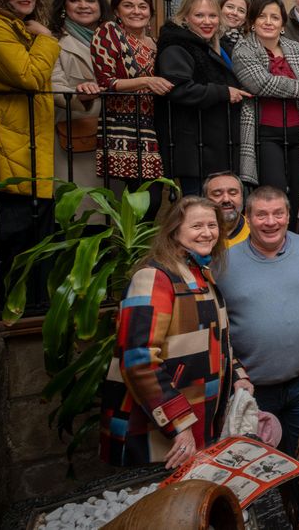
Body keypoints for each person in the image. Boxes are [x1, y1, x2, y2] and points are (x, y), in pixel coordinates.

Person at [100, 196, 252, 468]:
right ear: (174, 230)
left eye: (212, 225)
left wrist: (238, 376)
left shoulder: (200, 275)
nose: (207, 233)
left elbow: (216, 340)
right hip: (155, 435)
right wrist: (178, 422)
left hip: (197, 425)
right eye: (196, 226)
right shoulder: (154, 277)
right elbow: (138, 359)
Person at [218, 186, 299, 455]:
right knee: (256, 464)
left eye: (278, 213)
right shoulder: (222, 262)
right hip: (251, 390)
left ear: (288, 216)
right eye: (261, 215)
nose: (270, 222)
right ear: (247, 217)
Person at [0, 0, 61, 295]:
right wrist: (47, 39)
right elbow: (28, 76)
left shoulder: (19, 27)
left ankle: (34, 303)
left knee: (36, 238)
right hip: (13, 148)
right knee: (17, 238)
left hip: (30, 148)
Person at [233, 0, 299, 220]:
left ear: (282, 24)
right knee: (274, 192)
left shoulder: (296, 49)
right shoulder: (243, 49)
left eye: (274, 17)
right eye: (262, 16)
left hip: (298, 132)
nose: (268, 22)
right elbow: (263, 84)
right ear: (252, 22)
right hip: (265, 134)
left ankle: (295, 237)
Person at [155, 0, 250, 195]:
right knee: (199, 205)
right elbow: (178, 89)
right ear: (185, 18)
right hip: (195, 150)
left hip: (216, 147)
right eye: (199, 15)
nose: (207, 21)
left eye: (212, 16)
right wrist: (223, 92)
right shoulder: (176, 47)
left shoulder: (217, 46)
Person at [90, 0, 170, 197]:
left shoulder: (156, 43)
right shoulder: (109, 33)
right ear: (116, 11)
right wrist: (146, 81)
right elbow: (105, 82)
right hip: (124, 127)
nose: (136, 11)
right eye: (128, 5)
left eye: (142, 6)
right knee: (147, 197)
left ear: (150, 12)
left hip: (154, 125)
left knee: (153, 195)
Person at [49, 0, 110, 191]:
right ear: (64, 7)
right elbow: (53, 86)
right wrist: (79, 94)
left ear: (100, 7)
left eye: (90, 0)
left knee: (115, 206)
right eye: (74, 0)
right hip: (76, 137)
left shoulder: (115, 41)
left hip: (114, 139)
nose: (83, 6)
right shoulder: (53, 42)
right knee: (83, 203)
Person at [204, 170, 249, 247]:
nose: (226, 199)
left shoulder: (256, 231)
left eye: (233, 193)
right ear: (205, 200)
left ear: (242, 197)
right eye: (217, 194)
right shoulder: (195, 234)